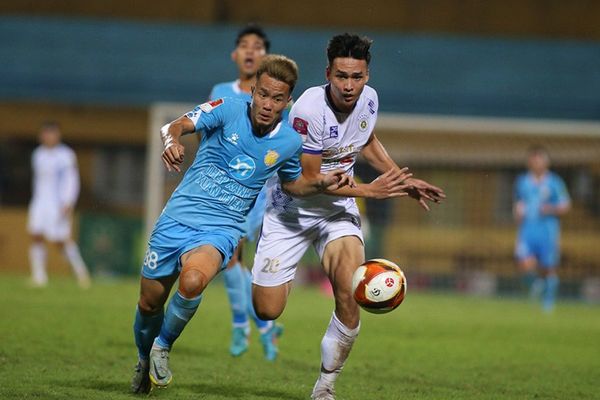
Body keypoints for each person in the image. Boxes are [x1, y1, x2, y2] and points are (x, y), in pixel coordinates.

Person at [131, 54, 352, 394]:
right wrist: (172, 141)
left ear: (287, 101)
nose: (268, 104)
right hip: (177, 219)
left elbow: (292, 184)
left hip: (222, 229)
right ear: (253, 91)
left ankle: (163, 346)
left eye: (277, 98)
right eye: (263, 94)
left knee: (193, 280)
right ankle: (144, 358)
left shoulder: (289, 141)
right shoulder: (227, 108)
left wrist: (321, 183)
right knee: (149, 304)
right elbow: (176, 125)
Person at [251, 33, 445, 400]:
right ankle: (281, 276)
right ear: (328, 73)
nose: (349, 85)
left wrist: (402, 180)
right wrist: (370, 191)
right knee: (267, 309)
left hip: (337, 212)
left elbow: (365, 141)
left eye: (357, 77)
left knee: (350, 293)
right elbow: (310, 181)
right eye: (341, 76)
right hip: (292, 210)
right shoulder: (308, 110)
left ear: (367, 75)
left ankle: (325, 387)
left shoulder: (369, 100)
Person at [209, 24, 282, 360]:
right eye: (244, 45)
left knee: (233, 257)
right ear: (235, 54)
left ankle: (245, 325)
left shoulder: (276, 97)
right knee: (232, 259)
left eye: (257, 46)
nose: (250, 50)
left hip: (259, 192)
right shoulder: (221, 91)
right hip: (224, 188)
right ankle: (263, 327)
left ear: (266, 56)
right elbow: (209, 132)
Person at [27, 121, 91, 289]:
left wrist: (68, 201)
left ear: (58, 135)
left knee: (60, 240)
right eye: (46, 133)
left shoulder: (65, 155)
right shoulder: (38, 154)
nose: (49, 137)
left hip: (57, 203)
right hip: (39, 201)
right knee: (35, 235)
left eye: (52, 133)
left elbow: (71, 180)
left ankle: (80, 272)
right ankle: (39, 276)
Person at [513, 145, 570, 313]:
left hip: (547, 230)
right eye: (534, 160)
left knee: (548, 268)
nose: (537, 163)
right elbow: (518, 203)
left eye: (540, 160)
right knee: (523, 263)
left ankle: (548, 303)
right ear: (529, 162)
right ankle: (539, 285)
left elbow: (566, 205)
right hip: (527, 229)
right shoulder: (522, 181)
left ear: (546, 162)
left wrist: (550, 209)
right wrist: (517, 213)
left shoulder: (555, 182)